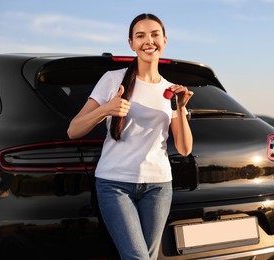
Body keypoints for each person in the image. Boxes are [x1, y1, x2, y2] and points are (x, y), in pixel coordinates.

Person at [67, 13, 193, 260]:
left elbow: (185, 148)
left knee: (146, 256)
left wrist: (180, 107)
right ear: (131, 43)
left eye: (155, 34)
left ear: (164, 40)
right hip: (115, 185)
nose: (149, 41)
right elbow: (74, 130)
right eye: (141, 35)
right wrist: (106, 109)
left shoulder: (170, 90)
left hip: (158, 186)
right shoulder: (113, 80)